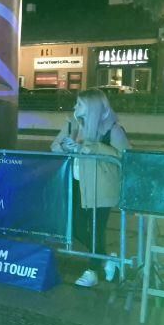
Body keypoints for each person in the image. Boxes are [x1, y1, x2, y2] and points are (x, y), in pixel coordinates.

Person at [51, 88, 131, 287]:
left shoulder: (113, 129)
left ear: (92, 107)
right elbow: (54, 146)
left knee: (96, 229)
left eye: (79, 104)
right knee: (75, 226)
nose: (74, 107)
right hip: (76, 184)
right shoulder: (72, 124)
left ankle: (93, 271)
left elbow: (127, 156)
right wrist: (65, 146)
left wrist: (91, 147)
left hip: (101, 187)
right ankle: (107, 259)